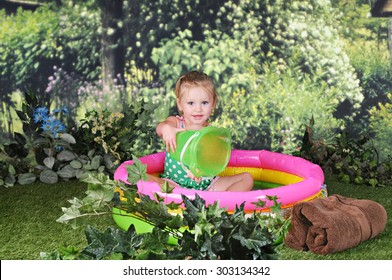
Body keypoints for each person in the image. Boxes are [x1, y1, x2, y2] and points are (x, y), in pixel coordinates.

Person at [149, 70, 253, 192]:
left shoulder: (211, 133)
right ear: (180, 104)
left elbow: (214, 162)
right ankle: (192, 200)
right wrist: (166, 129)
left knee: (247, 178)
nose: (198, 109)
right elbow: (160, 128)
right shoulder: (176, 123)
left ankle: (218, 204)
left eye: (204, 102)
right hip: (174, 185)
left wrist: (201, 171)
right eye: (191, 103)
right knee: (144, 179)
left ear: (213, 103)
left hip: (207, 187)